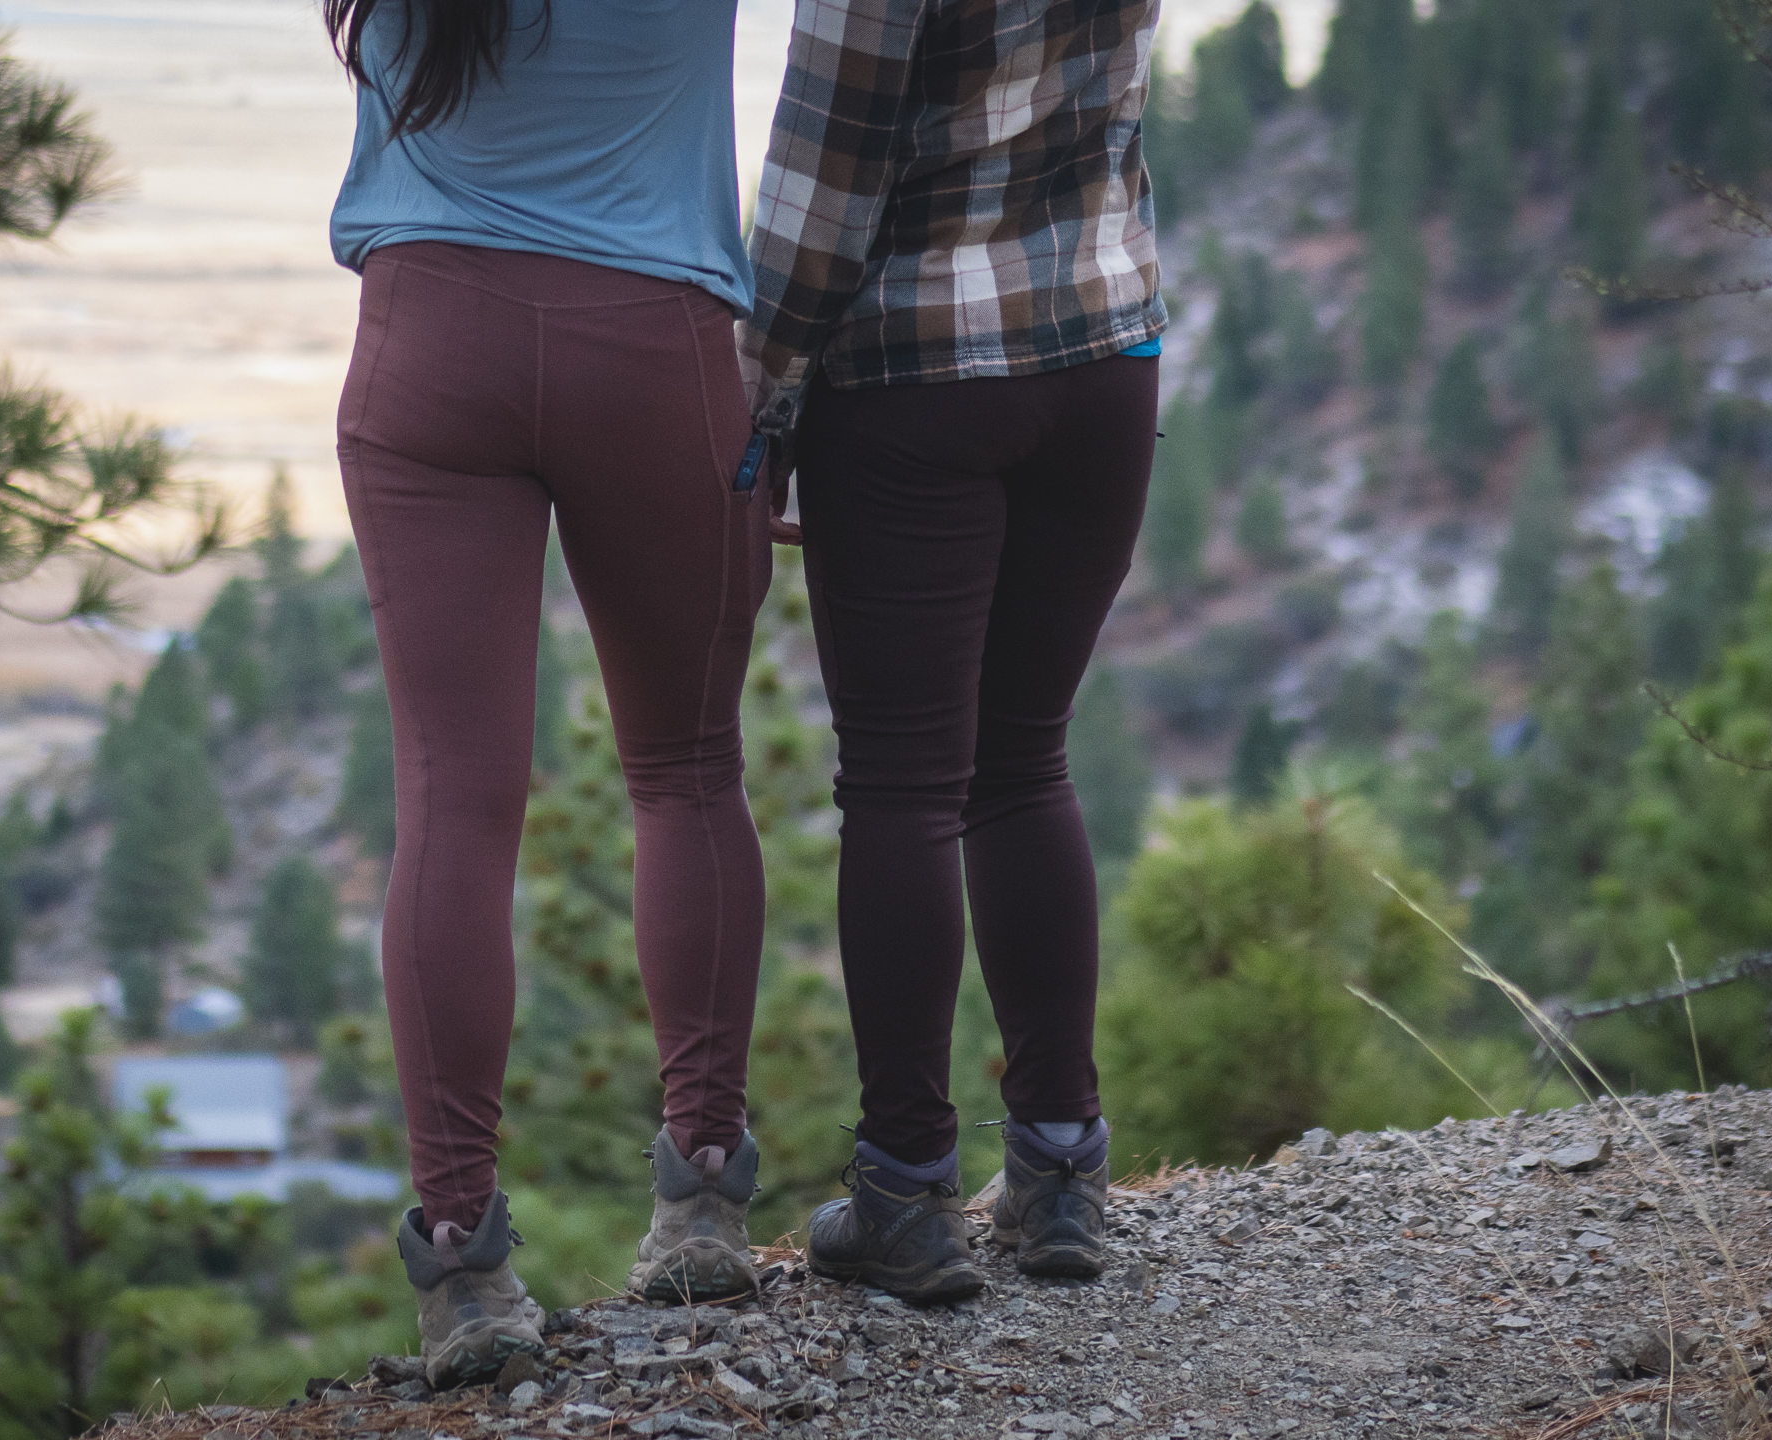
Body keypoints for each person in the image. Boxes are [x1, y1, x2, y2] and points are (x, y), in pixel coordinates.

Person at [324, 0, 772, 1384]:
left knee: (453, 807)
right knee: (688, 770)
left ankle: (461, 1259)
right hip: (656, 349)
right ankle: (702, 1191)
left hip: (429, 337)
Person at [739, 0, 1166, 1304]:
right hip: (1104, 347)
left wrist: (758, 398)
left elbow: (827, 175)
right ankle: (1057, 1175)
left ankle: (906, 1193)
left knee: (906, 788)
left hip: (916, 368)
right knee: (1024, 762)